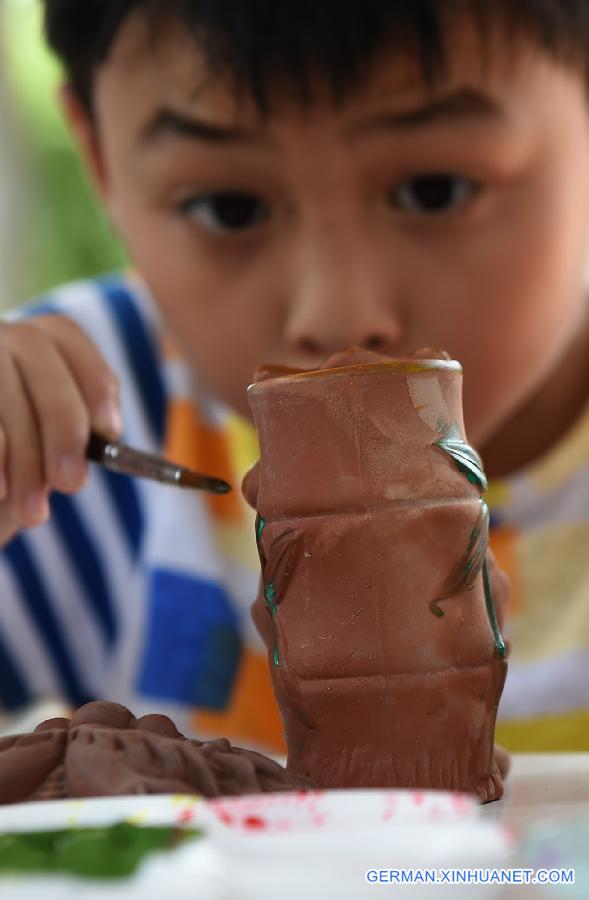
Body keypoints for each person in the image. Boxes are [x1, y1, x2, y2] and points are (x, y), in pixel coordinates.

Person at [0, 1, 588, 753]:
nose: (338, 317)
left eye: (433, 190)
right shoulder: (71, 439)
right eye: (229, 207)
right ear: (102, 162)